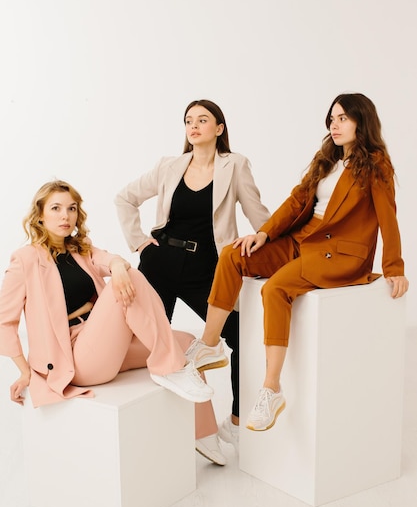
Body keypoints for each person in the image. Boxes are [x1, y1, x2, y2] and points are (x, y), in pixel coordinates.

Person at [186, 92, 409, 432]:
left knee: (275, 289)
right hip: (301, 239)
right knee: (234, 254)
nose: (335, 125)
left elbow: (387, 216)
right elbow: (296, 202)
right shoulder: (327, 160)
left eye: (343, 118)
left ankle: (271, 388)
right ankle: (210, 345)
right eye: (332, 119)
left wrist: (394, 267)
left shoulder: (375, 164)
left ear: (362, 122)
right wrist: (264, 234)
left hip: (340, 253)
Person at [115, 99, 270, 463]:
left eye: (203, 119)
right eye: (189, 120)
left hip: (208, 268)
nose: (194, 125)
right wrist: (139, 241)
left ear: (219, 128)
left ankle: (232, 420)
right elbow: (124, 198)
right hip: (161, 263)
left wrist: (269, 238)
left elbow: (258, 215)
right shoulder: (169, 166)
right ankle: (169, 430)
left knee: (239, 336)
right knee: (147, 343)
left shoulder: (235, 165)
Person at [0, 180, 214, 411]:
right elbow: (4, 322)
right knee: (126, 281)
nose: (65, 216)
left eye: (71, 208)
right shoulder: (25, 260)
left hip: (107, 343)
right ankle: (169, 367)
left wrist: (117, 266)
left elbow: (109, 259)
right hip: (75, 357)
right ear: (40, 215)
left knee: (188, 345)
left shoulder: (81, 250)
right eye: (56, 208)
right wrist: (25, 371)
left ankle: (205, 440)